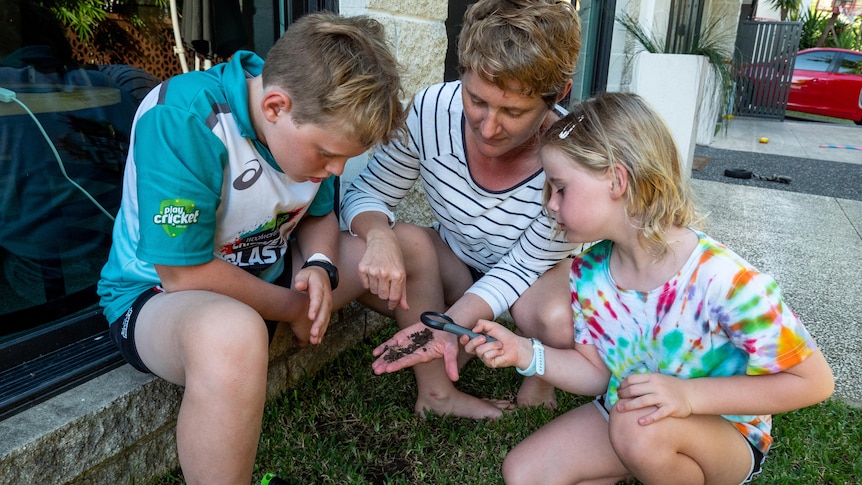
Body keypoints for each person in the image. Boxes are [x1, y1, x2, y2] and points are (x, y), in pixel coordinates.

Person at [461, 92, 835, 484]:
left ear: (618, 181)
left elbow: (814, 382)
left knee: (637, 430)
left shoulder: (725, 281)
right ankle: (641, 460)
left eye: (561, 188)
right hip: (628, 413)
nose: (550, 205)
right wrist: (523, 351)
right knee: (523, 474)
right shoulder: (588, 272)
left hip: (721, 433)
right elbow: (595, 374)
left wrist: (688, 398)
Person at [96, 12, 406, 484]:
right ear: (276, 107)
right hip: (159, 299)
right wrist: (294, 306)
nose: (338, 170)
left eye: (346, 156)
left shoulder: (304, 116)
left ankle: (438, 389)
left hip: (268, 278)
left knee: (412, 247)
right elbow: (184, 275)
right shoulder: (185, 117)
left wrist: (320, 267)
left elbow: (320, 214)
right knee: (235, 335)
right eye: (327, 154)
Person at [335, 0, 582, 419]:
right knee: (402, 242)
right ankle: (447, 372)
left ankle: (536, 367)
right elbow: (367, 193)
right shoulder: (430, 110)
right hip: (457, 268)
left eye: (514, 111)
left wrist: (444, 326)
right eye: (477, 100)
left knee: (556, 318)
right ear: (461, 71)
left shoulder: (572, 160)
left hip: (534, 282)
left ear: (558, 95)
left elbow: (521, 269)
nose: (488, 128)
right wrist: (378, 236)